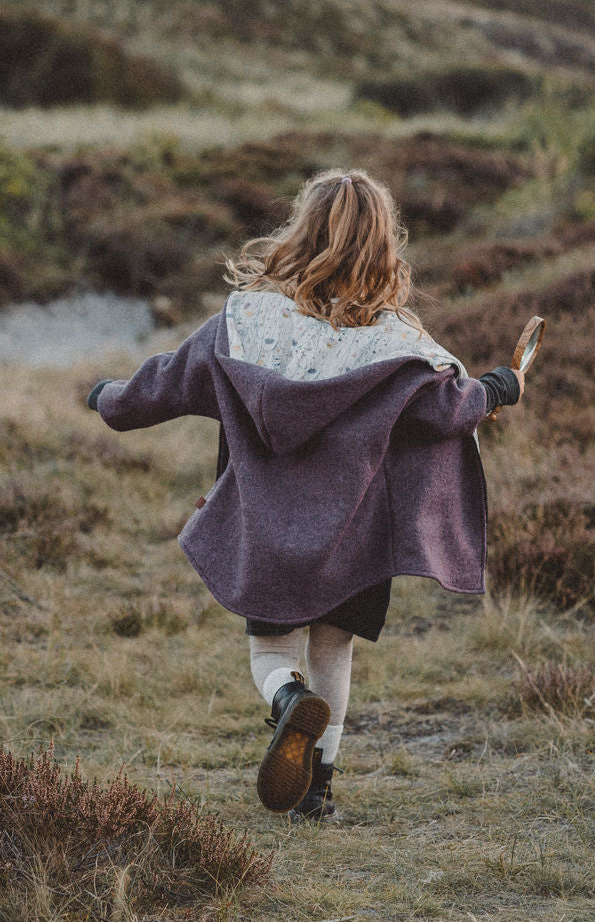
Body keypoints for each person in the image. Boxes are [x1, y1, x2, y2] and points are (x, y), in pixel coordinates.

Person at [87, 168, 523, 822]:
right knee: (332, 650)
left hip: (266, 528)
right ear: (384, 248)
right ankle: (316, 790)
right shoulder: (396, 345)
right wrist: (498, 386)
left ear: (300, 234)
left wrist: (106, 398)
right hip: (355, 535)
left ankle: (287, 703)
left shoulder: (241, 325)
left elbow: (161, 386)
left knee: (271, 652)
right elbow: (448, 411)